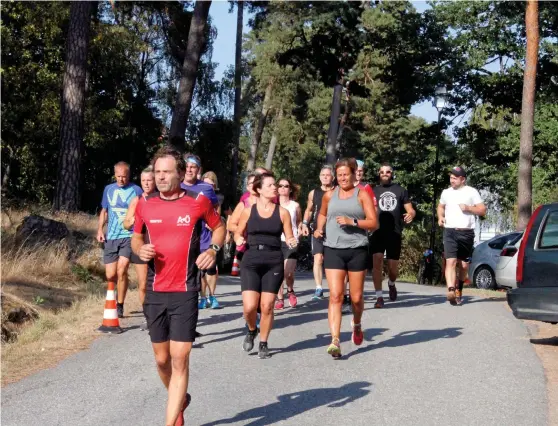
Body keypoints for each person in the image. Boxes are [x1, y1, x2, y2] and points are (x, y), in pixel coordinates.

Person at [132, 146, 225, 426]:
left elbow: (219, 227)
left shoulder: (197, 202)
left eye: (166, 172)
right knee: (162, 360)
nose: (160, 177)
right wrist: (141, 249)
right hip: (155, 290)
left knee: (179, 358)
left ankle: (170, 420)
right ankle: (180, 398)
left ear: (181, 173)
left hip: (186, 290)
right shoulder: (145, 204)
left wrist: (214, 249)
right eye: (157, 172)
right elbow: (135, 236)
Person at [314, 158, 378, 358]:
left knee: (357, 298)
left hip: (357, 248)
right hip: (333, 248)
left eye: (346, 174)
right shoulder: (328, 195)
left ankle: (357, 325)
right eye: (339, 175)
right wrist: (318, 228)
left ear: (353, 174)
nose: (342, 178)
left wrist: (353, 221)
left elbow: (374, 223)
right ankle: (335, 340)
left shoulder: (362, 195)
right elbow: (323, 214)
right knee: (335, 295)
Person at [234, 173, 297, 359]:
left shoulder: (282, 212)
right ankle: (252, 329)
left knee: (267, 305)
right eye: (269, 185)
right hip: (251, 259)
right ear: (259, 190)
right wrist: (238, 238)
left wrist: (293, 241)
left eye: (274, 185)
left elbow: (289, 236)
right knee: (249, 307)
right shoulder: (248, 210)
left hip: (273, 259)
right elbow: (238, 232)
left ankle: (263, 342)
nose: (274, 188)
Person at [96, 161, 143, 318]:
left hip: (128, 236)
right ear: (114, 174)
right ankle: (114, 296)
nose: (122, 179)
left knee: (122, 270)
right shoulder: (108, 189)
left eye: (125, 176)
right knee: (110, 275)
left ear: (129, 175)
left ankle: (120, 305)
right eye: (119, 176)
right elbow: (104, 211)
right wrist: (100, 230)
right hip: (111, 236)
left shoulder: (136, 190)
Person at [437, 166, 486, 305]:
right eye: (451, 177)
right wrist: (440, 217)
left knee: (464, 265)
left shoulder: (472, 192)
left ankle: (459, 287)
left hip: (466, 233)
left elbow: (482, 210)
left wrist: (469, 208)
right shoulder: (446, 192)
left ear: (462, 179)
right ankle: (451, 290)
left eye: (454, 178)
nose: (451, 180)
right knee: (450, 261)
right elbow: (441, 206)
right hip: (450, 231)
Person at [370, 163, 416, 308]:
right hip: (377, 232)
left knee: (392, 268)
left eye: (388, 172)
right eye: (382, 172)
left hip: (394, 233)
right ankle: (379, 297)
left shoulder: (400, 190)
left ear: (391, 174)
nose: (385, 174)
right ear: (379, 173)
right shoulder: (372, 190)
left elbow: (411, 209)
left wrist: (411, 214)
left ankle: (391, 283)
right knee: (376, 262)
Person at [180, 153, 220, 310]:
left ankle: (211, 296)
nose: (189, 170)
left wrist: (214, 222)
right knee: (189, 270)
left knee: (208, 267)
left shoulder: (206, 188)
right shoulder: (177, 186)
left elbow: (216, 206)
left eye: (193, 167)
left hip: (203, 236)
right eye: (187, 167)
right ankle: (194, 299)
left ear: (198, 169)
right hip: (183, 237)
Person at [122, 166, 156, 308]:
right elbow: (125, 223)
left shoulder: (161, 199)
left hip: (158, 245)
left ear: (155, 181)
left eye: (149, 180)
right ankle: (148, 316)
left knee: (157, 285)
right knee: (143, 285)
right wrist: (132, 221)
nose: (146, 183)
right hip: (140, 244)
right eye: (143, 180)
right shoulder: (137, 200)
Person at [300, 165, 335, 300]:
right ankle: (319, 288)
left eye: (327, 175)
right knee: (318, 258)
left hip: (334, 230)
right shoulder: (313, 193)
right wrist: (304, 224)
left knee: (332, 262)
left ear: (333, 177)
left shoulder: (338, 191)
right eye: (322, 175)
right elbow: (309, 210)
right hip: (317, 231)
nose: (325, 177)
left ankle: (335, 288)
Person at [275, 178, 302, 309]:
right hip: (275, 241)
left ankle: (290, 290)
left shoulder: (295, 206)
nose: (283, 188)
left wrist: (302, 229)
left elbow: (299, 222)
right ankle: (280, 298)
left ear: (290, 189)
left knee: (287, 273)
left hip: (291, 241)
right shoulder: (272, 204)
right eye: (280, 186)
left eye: (286, 186)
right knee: (278, 270)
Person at [200, 171, 223, 309]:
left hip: (211, 235)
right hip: (200, 234)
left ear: (215, 186)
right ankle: (203, 298)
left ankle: (212, 296)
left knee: (211, 268)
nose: (208, 186)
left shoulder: (218, 199)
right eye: (205, 183)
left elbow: (220, 218)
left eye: (211, 184)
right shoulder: (197, 195)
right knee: (201, 269)